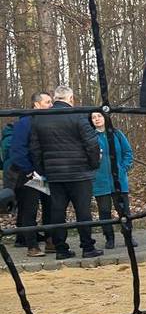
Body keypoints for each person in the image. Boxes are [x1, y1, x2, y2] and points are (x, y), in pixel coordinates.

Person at [28, 86, 102, 260]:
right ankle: (87, 246)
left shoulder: (40, 119)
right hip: (80, 173)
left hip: (54, 174)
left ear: (54, 99)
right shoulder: (78, 116)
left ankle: (61, 248)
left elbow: (35, 149)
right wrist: (93, 164)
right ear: (71, 99)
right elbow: (92, 144)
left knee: (57, 212)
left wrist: (43, 170)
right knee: (83, 211)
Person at [5, 92, 53, 255]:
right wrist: (29, 172)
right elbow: (17, 150)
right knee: (29, 210)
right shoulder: (24, 123)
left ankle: (50, 241)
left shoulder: (50, 122)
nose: (51, 105)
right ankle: (32, 246)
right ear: (37, 104)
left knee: (50, 208)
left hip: (47, 173)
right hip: (29, 174)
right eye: (47, 102)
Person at [90, 112, 134, 250]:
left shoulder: (117, 134)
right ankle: (109, 238)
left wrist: (123, 168)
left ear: (105, 117)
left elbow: (128, 152)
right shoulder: (90, 136)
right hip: (100, 181)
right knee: (104, 211)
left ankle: (128, 236)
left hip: (119, 180)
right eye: (93, 117)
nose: (96, 119)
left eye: (99, 116)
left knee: (124, 210)